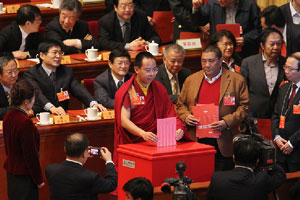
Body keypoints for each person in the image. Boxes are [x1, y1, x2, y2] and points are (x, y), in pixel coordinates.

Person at [176, 45, 249, 171]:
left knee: (222, 177)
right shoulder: (191, 80)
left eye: (211, 61)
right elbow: (180, 105)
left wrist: (226, 122)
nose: (207, 65)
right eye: (203, 61)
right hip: (197, 136)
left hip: (223, 137)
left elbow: (245, 107)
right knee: (198, 174)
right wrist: (186, 116)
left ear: (220, 61)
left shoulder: (236, 80)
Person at [114, 52, 193, 163]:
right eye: (147, 70)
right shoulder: (127, 90)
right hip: (133, 142)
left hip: (156, 142)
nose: (152, 74)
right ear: (136, 69)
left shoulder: (158, 88)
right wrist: (142, 133)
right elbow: (123, 121)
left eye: (154, 70)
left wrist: (178, 129)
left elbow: (170, 113)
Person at [24, 40, 106, 115]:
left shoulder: (66, 71)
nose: (58, 56)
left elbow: (79, 90)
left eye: (60, 53)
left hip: (62, 114)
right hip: (40, 114)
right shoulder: (32, 73)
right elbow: (38, 94)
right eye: (54, 52)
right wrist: (52, 108)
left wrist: (93, 103)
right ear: (42, 55)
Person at [206, 137, 286, 200]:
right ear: (257, 161)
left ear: (233, 158)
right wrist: (266, 160)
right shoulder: (262, 179)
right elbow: (281, 174)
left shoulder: (217, 178)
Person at [3, 79, 44, 200]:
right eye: (33, 98)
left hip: (12, 172)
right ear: (26, 101)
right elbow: (30, 154)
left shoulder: (8, 115)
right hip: (25, 176)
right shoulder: (25, 122)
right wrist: (38, 179)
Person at [45, 133, 117, 200]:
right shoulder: (91, 177)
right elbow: (111, 184)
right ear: (84, 153)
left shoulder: (50, 169)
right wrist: (109, 161)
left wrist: (84, 155)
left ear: (65, 149)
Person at [240, 28, 286, 119]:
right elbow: (242, 91)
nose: (276, 47)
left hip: (277, 116)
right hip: (253, 115)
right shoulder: (248, 63)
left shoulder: (285, 63)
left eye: (279, 43)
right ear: (262, 45)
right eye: (272, 44)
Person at [191, 0, 262, 58]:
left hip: (244, 53)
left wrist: (245, 39)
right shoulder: (213, 4)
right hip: (218, 53)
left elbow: (259, 30)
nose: (219, 1)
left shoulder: (250, 5)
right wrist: (196, 9)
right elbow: (199, 21)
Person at [272, 53, 300, 172]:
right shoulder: (284, 87)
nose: (286, 71)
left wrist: (292, 143)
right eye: (285, 67)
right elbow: (275, 115)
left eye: (290, 68)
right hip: (280, 150)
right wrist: (276, 136)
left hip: (297, 151)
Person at [105, 0, 170, 26]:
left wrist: (174, 14)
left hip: (165, 20)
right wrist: (143, 16)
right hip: (139, 19)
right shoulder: (105, 21)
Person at [0, 54, 19, 119]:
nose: (14, 75)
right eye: (9, 72)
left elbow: (36, 104)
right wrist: (17, 109)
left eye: (15, 71)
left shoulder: (22, 84)